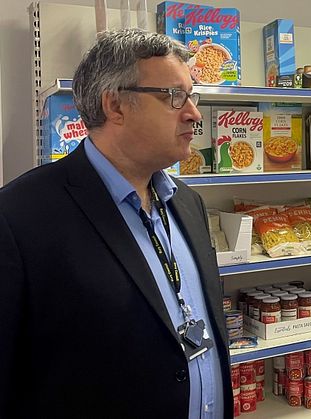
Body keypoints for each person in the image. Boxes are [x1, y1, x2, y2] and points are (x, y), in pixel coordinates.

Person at [0, 29, 232, 418]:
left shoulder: (187, 202)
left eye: (192, 95)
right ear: (115, 106)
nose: (193, 113)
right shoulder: (19, 218)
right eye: (174, 96)